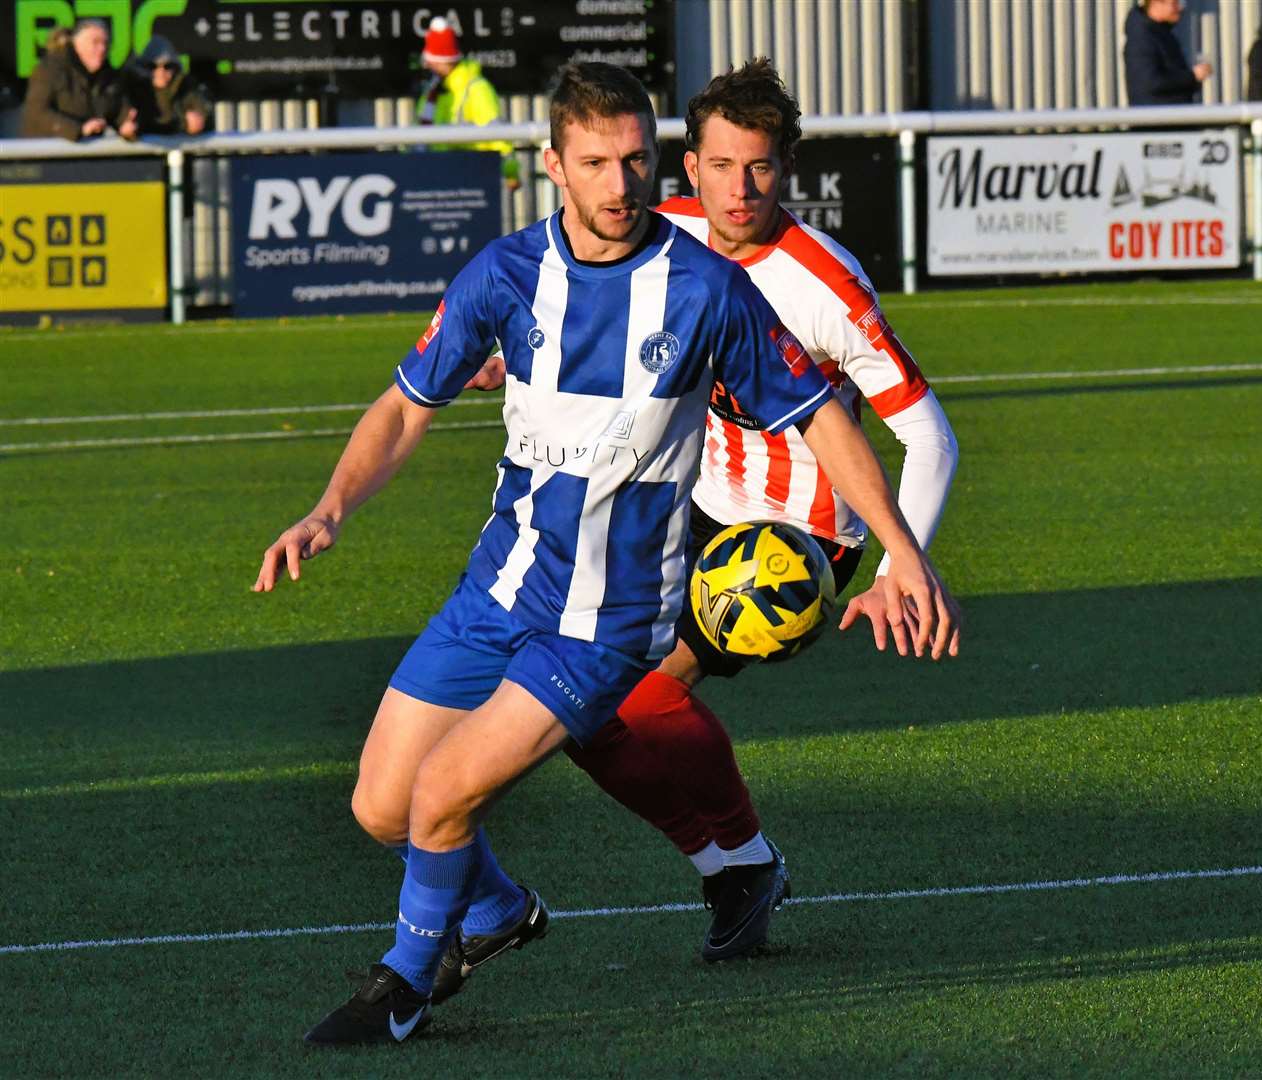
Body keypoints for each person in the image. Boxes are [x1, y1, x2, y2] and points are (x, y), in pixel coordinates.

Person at [255, 61, 959, 1047]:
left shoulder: (706, 289)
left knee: (446, 791)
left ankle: (405, 986)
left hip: (610, 613)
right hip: (496, 587)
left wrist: (900, 556)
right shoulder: (503, 275)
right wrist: (330, 507)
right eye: (596, 163)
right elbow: (406, 408)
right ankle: (498, 914)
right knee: (382, 807)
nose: (621, 184)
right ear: (554, 166)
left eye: (634, 160)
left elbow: (826, 423)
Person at [451, 58, 959, 970]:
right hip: (689, 503)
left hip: (793, 538)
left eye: (759, 167)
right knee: (567, 697)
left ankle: (739, 859)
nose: (739, 188)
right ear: (690, 168)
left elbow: (930, 436)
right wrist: (508, 360)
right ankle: (735, 863)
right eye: (721, 165)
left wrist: (896, 568)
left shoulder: (824, 284)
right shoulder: (662, 233)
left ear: (787, 168)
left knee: (619, 689)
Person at [416, 16, 521, 191]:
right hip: (435, 179)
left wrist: (510, 174)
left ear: (441, 60)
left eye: (431, 59)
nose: (427, 64)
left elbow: (498, 136)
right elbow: (417, 136)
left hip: (473, 180)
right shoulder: (432, 91)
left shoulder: (477, 88)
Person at [20, 19, 133, 141]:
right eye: (95, 42)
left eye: (105, 43)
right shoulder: (50, 69)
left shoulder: (109, 76)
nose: (102, 48)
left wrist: (126, 125)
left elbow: (119, 109)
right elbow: (36, 112)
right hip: (49, 152)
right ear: (77, 44)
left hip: (93, 153)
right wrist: (78, 129)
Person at [1123, 0, 1211, 106]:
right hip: (1156, 118)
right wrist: (1192, 76)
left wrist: (1192, 80)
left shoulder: (1161, 33)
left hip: (1171, 115)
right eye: (1174, 3)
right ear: (1156, 3)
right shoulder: (1142, 38)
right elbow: (1150, 82)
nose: (1180, 8)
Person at [122, 35, 210, 137]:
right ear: (143, 67)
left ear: (175, 67)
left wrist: (198, 122)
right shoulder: (132, 89)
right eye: (153, 66)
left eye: (167, 66)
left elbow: (202, 110)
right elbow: (122, 118)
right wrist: (127, 130)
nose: (161, 72)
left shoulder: (185, 87)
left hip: (180, 150)